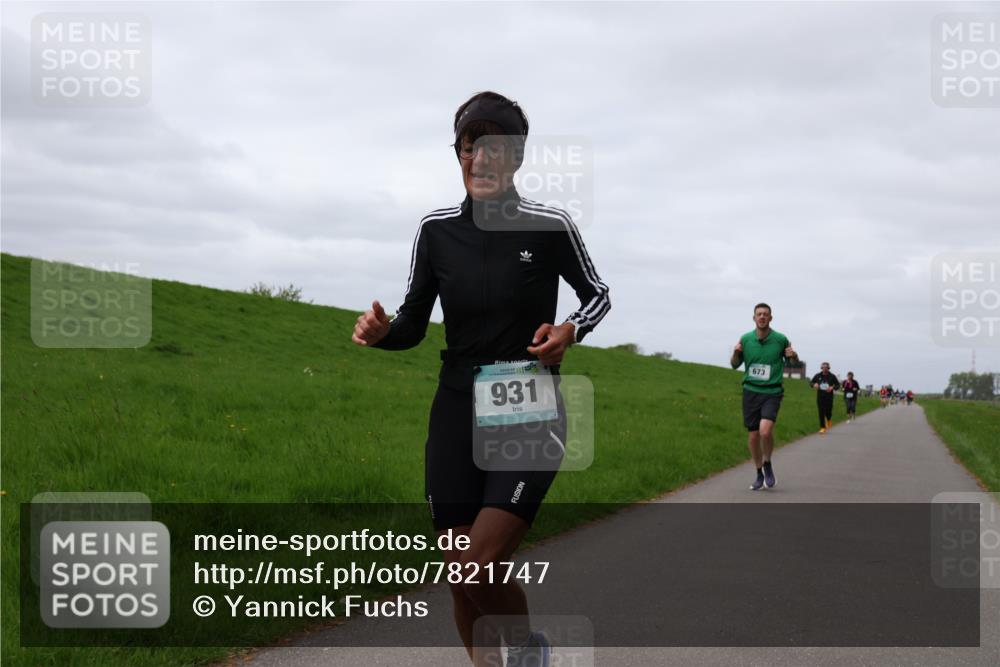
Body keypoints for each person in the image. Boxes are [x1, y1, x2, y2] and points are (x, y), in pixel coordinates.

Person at [352, 91, 610, 667]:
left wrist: (571, 329)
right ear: (459, 155)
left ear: (516, 158)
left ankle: (525, 653)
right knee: (458, 576)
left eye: (495, 149)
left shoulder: (550, 225)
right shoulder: (436, 231)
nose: (481, 160)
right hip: (454, 409)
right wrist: (381, 332)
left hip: (528, 405)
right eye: (471, 147)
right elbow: (414, 322)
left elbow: (598, 294)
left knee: (479, 565)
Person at [730, 303, 798, 491]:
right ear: (754, 318)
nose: (762, 317)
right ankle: (759, 472)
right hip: (750, 391)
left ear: (770, 318)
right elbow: (735, 365)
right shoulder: (745, 339)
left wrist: (793, 355)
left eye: (765, 314)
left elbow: (793, 363)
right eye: (759, 314)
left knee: (765, 432)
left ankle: (767, 463)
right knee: (753, 436)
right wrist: (736, 352)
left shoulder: (780, 339)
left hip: (772, 392)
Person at [810, 362, 841, 433]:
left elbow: (838, 385)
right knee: (821, 412)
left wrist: (832, 387)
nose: (824, 369)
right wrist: (814, 384)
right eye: (823, 367)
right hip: (820, 397)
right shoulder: (817, 375)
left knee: (828, 411)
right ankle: (822, 427)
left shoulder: (832, 376)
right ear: (821, 368)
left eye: (826, 367)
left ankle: (829, 419)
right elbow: (811, 383)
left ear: (828, 368)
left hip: (829, 397)